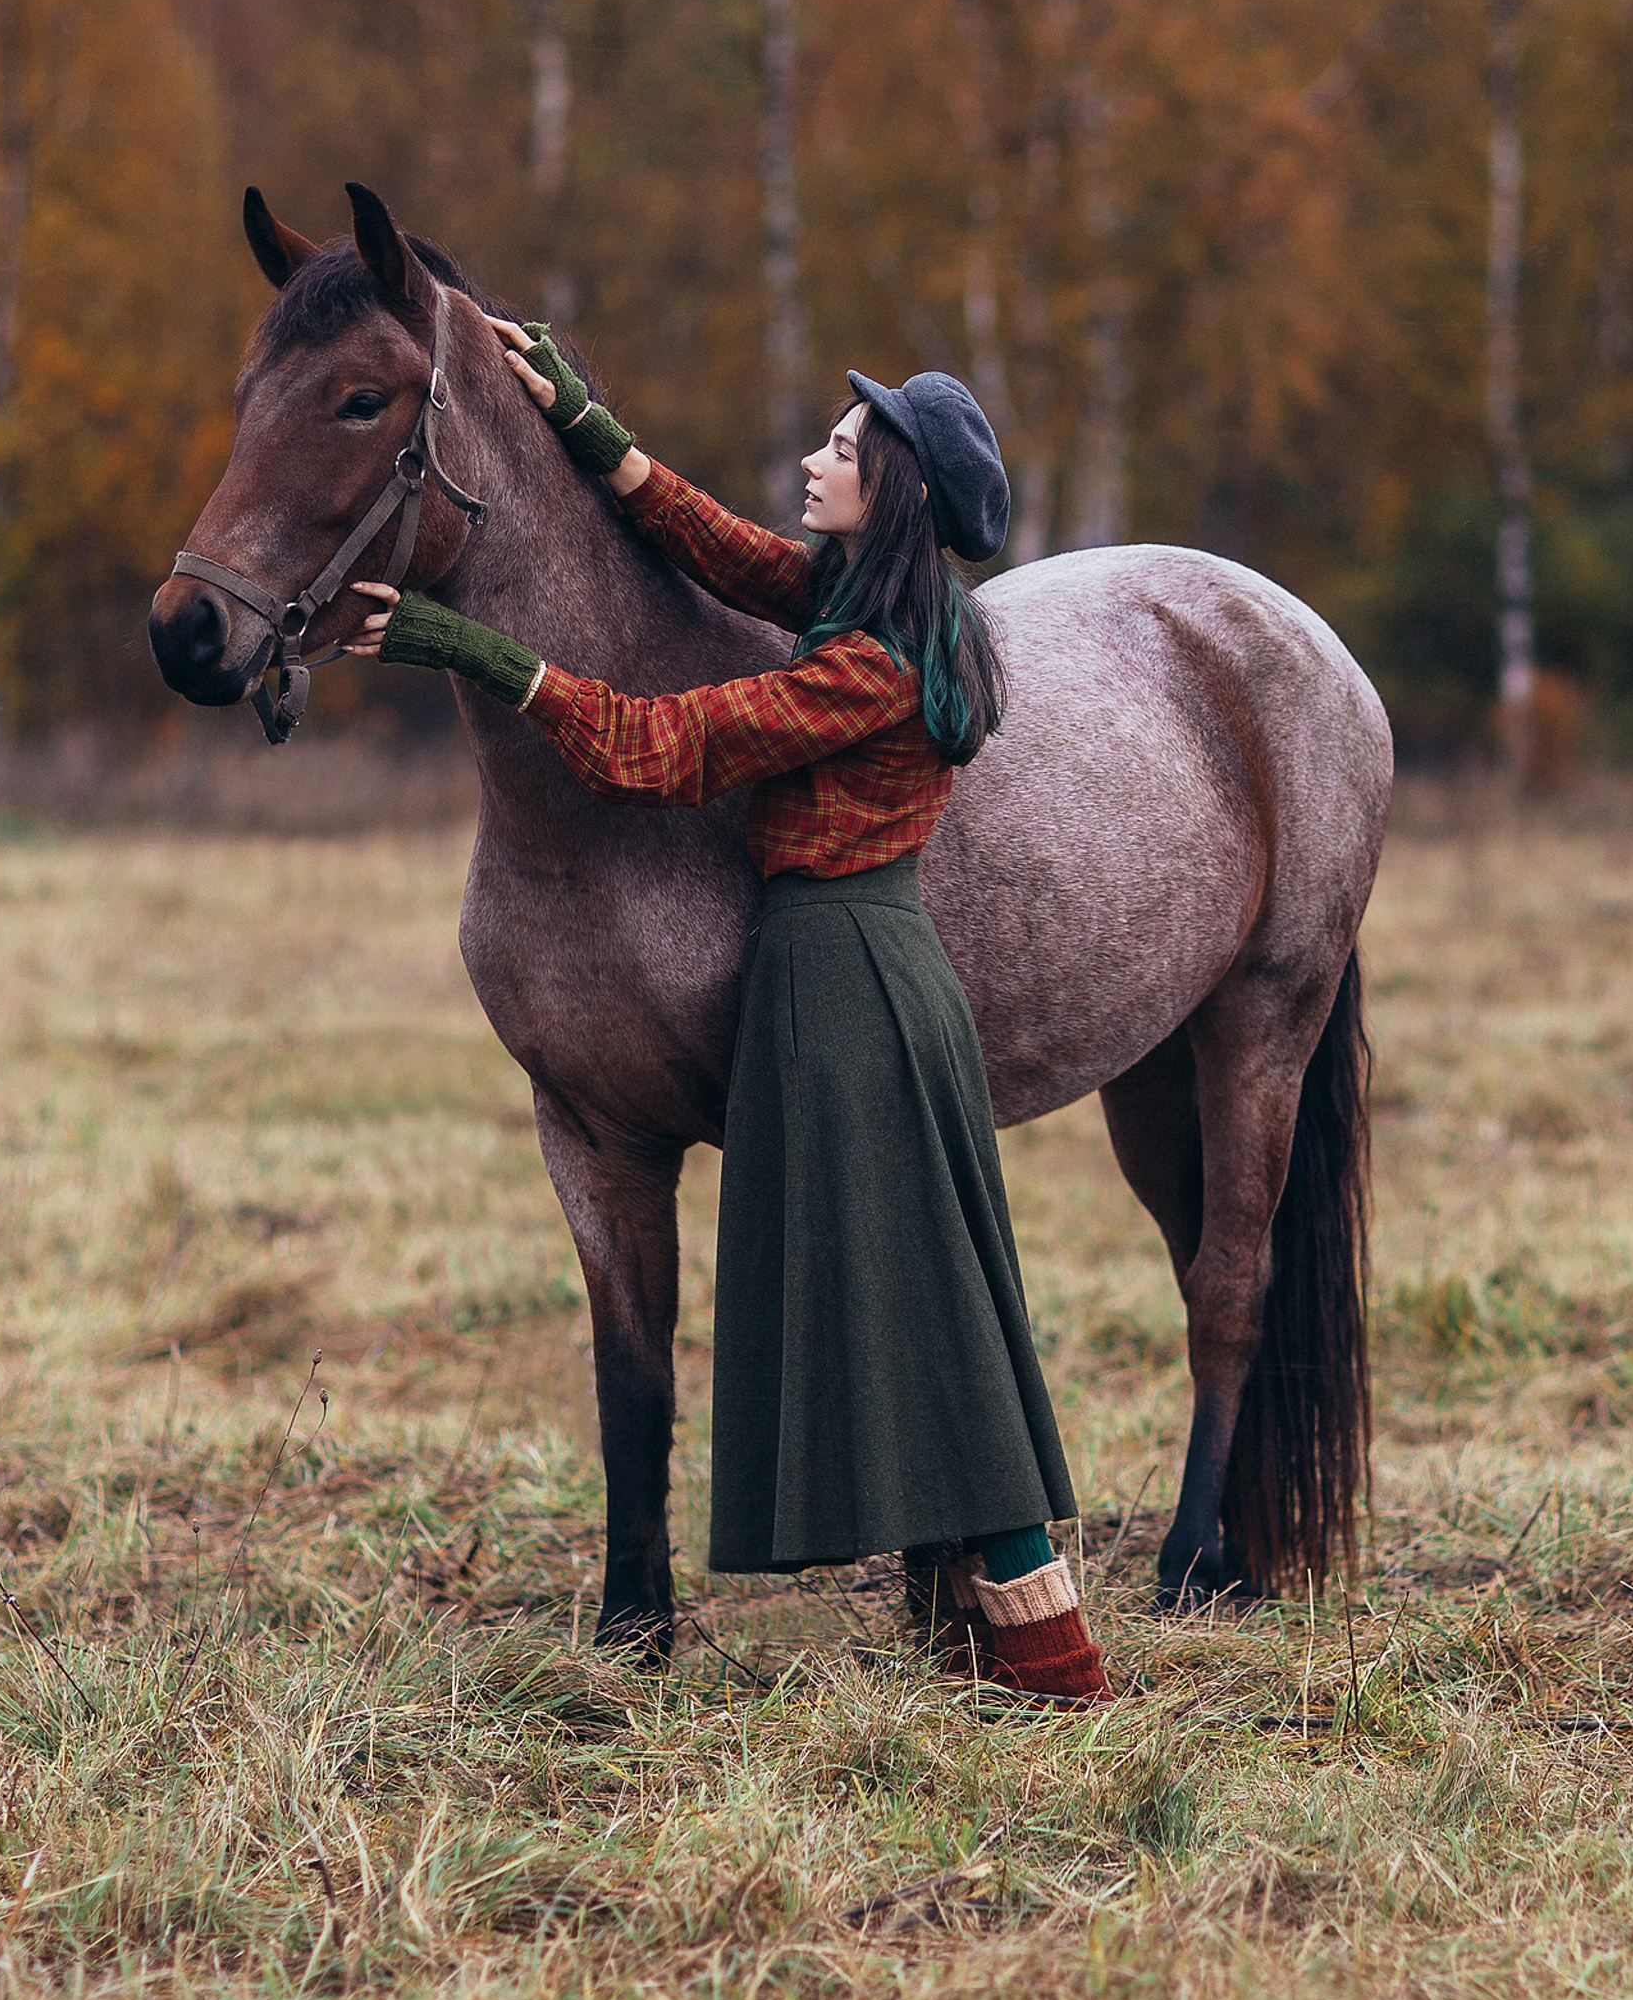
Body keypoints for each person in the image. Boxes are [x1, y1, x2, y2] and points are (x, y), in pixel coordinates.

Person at [347, 321, 1109, 1705]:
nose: (815, 458)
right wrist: (580, 412)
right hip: (849, 975)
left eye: (842, 448)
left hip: (848, 985)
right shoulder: (858, 595)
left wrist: (474, 648)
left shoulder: (871, 660)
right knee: (909, 1292)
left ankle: (1053, 1654)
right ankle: (993, 1630)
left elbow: (673, 746)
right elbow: (703, 537)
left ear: (900, 493)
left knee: (929, 1301)